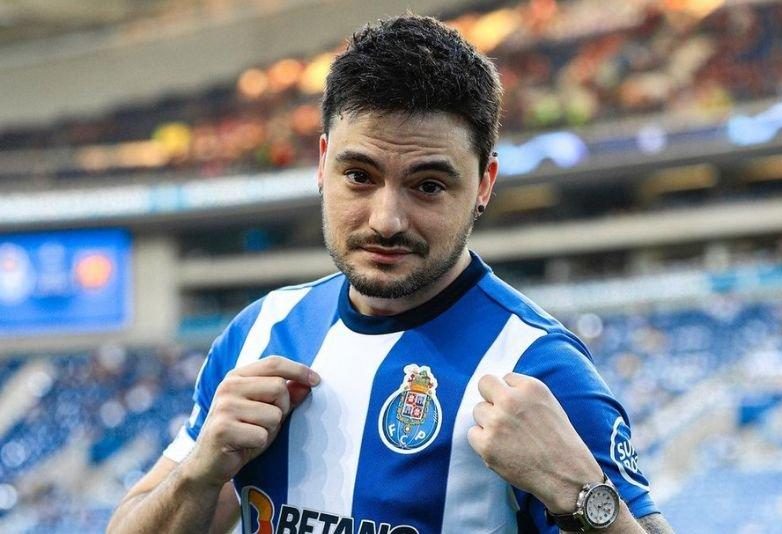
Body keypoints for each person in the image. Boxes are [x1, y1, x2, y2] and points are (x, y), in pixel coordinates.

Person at [108, 15, 674, 534]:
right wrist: (199, 474)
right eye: (359, 175)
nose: (387, 219)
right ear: (322, 163)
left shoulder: (536, 367)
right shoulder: (262, 332)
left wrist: (582, 494)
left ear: (483, 184)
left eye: (428, 185)